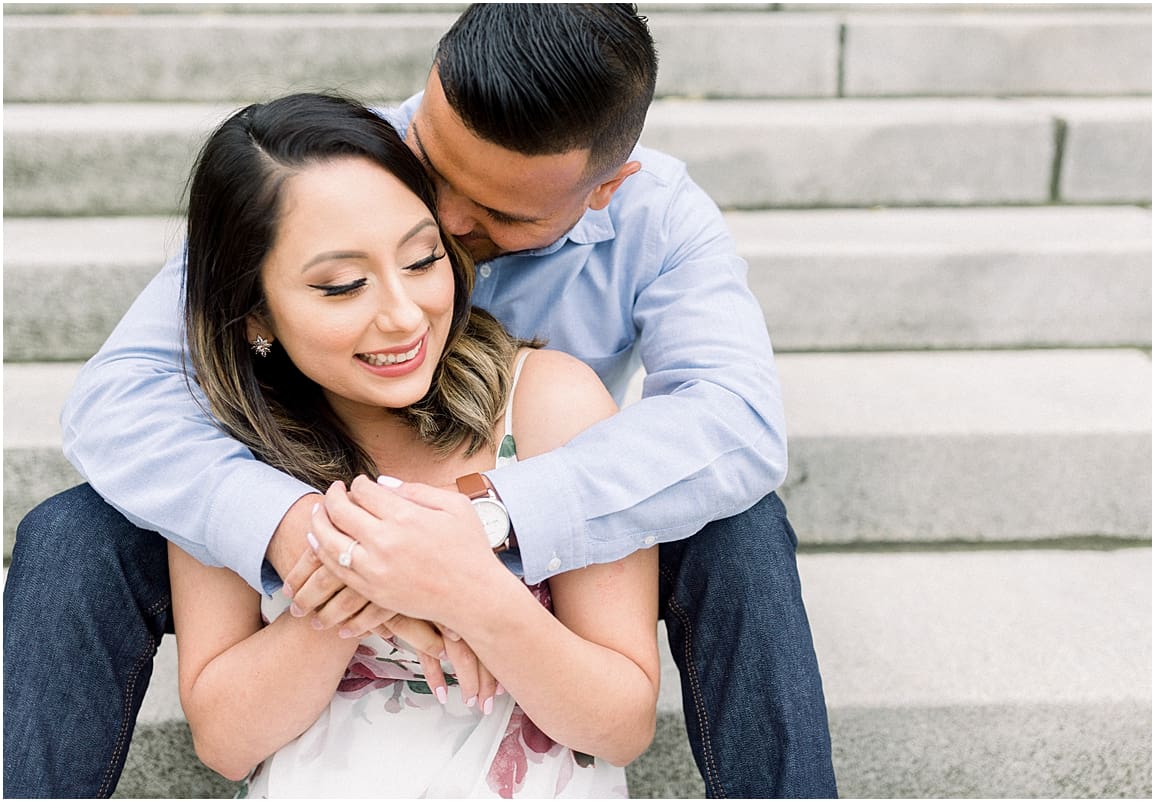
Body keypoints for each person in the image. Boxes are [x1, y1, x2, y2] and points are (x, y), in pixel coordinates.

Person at [3, 5, 837, 798]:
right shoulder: (330, 173)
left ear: (604, 189)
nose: (445, 213)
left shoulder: (658, 226)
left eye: (493, 215)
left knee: (740, 524)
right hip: (309, 479)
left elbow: (737, 423)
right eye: (432, 167)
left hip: (548, 512)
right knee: (75, 532)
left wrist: (480, 531)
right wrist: (322, 541)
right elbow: (119, 400)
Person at [170, 91, 658, 798]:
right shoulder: (221, 458)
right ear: (253, 313)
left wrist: (470, 591)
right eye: (343, 286)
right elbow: (223, 742)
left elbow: (622, 724)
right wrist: (354, 581)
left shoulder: (551, 403)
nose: (403, 316)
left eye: (423, 260)